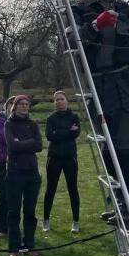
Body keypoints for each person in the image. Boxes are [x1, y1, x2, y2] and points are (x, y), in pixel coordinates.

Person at [70, 0, 129, 218]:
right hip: (99, 85)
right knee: (108, 147)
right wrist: (95, 25)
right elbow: (70, 40)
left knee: (128, 148)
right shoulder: (79, 9)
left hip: (125, 85)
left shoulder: (125, 10)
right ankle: (118, 202)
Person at [4, 95, 43, 256]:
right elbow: (12, 145)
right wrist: (29, 143)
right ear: (15, 106)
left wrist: (22, 143)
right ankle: (14, 247)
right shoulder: (9, 124)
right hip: (14, 172)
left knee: (30, 210)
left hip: (32, 173)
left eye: (27, 104)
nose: (24, 107)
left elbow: (39, 145)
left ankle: (29, 244)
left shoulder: (33, 124)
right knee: (14, 211)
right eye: (21, 104)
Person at [42, 91, 81, 233]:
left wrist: (58, 132)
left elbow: (76, 133)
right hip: (54, 158)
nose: (59, 102)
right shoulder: (51, 118)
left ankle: (76, 221)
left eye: (61, 99)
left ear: (67, 101)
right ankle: (46, 220)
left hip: (70, 158)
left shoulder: (74, 117)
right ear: (54, 102)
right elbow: (49, 135)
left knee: (73, 189)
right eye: (56, 100)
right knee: (50, 190)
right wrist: (67, 132)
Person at [0, 98, 15, 238]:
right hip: (2, 161)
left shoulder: (22, 121)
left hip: (18, 161)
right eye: (11, 104)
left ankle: (14, 226)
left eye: (15, 104)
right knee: (3, 193)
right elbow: (3, 138)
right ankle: (1, 227)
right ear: (6, 106)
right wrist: (16, 139)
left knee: (16, 194)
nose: (13, 107)